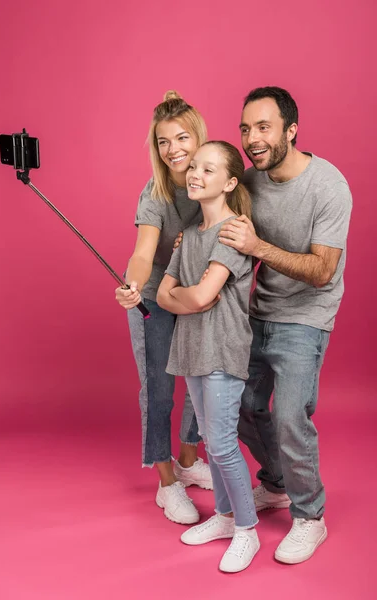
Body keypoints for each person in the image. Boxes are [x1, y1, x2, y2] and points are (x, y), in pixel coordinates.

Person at [218, 86, 352, 564]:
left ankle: (310, 515)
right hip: (260, 311)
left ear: (291, 131)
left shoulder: (328, 186)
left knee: (292, 417)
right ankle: (276, 483)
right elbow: (226, 234)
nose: (252, 139)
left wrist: (258, 248)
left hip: (307, 316)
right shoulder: (250, 183)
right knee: (241, 406)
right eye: (245, 128)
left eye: (263, 127)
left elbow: (322, 272)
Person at [157, 141, 259, 573]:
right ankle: (225, 516)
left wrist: (187, 296)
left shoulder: (233, 232)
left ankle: (247, 531)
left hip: (222, 348)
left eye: (209, 169)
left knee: (219, 443)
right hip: (193, 349)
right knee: (214, 446)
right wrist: (187, 297)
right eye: (194, 166)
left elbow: (199, 294)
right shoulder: (191, 235)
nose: (195, 173)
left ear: (230, 182)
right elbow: (165, 295)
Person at [115, 91, 213, 525]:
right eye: (163, 141)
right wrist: (132, 285)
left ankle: (190, 460)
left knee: (200, 381)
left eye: (182, 138)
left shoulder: (216, 179)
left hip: (199, 295)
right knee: (158, 387)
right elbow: (143, 252)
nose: (173, 149)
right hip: (154, 297)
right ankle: (167, 483)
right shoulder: (154, 194)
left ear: (199, 138)